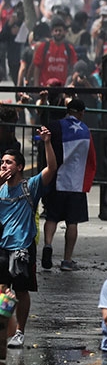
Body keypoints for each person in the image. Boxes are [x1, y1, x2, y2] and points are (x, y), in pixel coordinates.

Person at [2, 128, 57, 349]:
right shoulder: (0, 188)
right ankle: (4, 328)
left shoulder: (30, 186)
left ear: (19, 167)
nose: (3, 166)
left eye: (8, 162)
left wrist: (47, 143)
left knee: (21, 290)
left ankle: (19, 331)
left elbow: (51, 168)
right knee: (2, 290)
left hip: (22, 247)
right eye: (2, 162)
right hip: (2, 246)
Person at [41, 98, 95, 272]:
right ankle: (67, 260)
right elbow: (91, 159)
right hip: (76, 184)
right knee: (72, 222)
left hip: (57, 181)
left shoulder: (55, 126)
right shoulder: (85, 131)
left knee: (51, 217)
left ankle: (48, 244)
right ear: (81, 113)